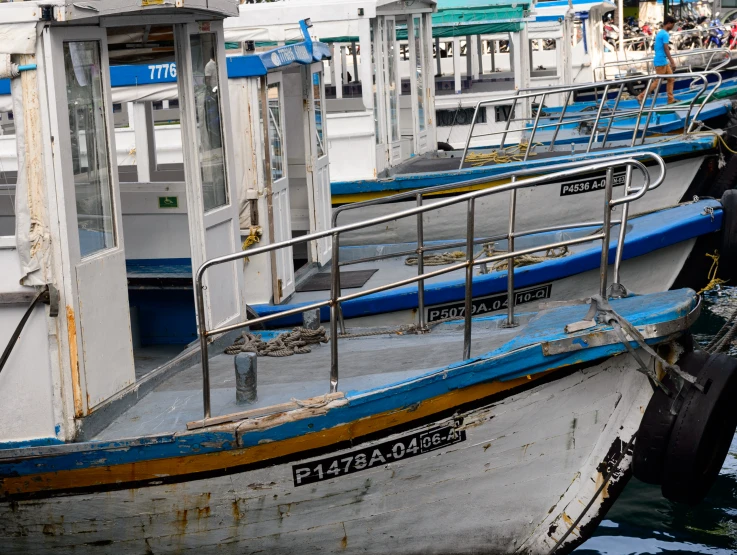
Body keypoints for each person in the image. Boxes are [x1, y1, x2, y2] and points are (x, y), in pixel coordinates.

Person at [638, 16, 677, 104]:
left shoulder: (661, 32)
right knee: (657, 82)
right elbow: (666, 48)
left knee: (671, 79)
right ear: (669, 23)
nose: (673, 27)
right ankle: (641, 96)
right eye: (673, 24)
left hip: (662, 60)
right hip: (660, 61)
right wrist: (672, 62)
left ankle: (670, 99)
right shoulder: (665, 34)